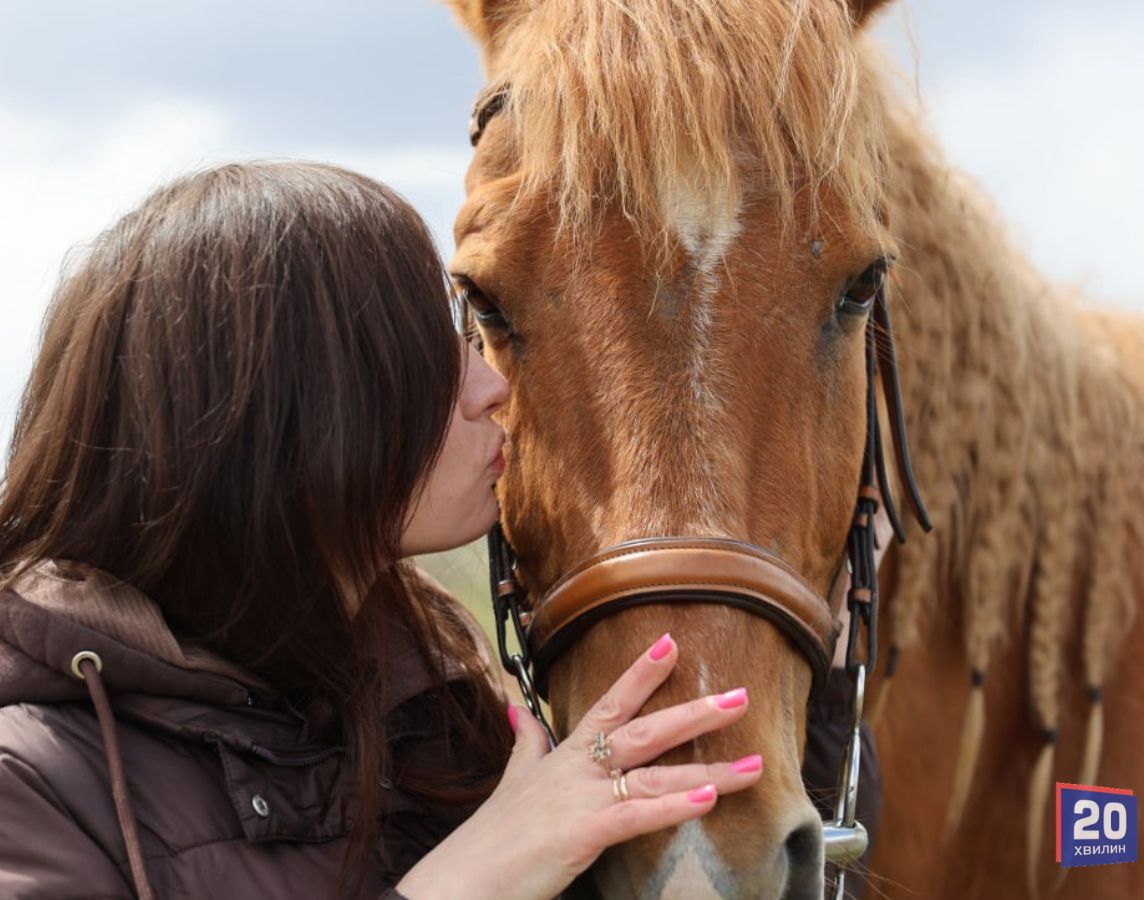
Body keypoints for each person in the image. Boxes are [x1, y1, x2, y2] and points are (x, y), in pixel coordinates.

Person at [0, 161, 764, 900]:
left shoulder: (434, 714)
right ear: (286, 408)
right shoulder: (31, 786)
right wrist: (469, 881)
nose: (492, 385)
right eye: (425, 349)